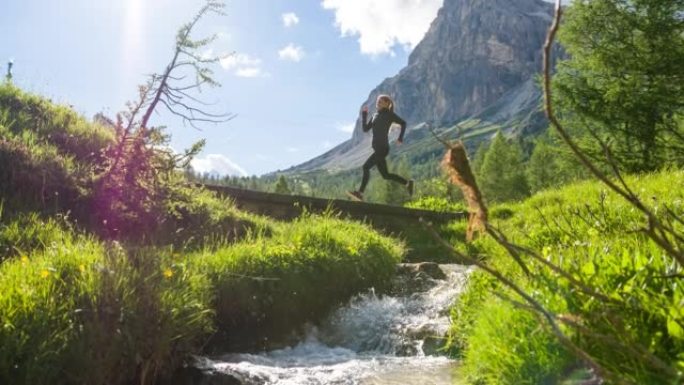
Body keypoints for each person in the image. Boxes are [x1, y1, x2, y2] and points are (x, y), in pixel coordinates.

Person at [348, 94, 414, 201]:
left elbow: (403, 123)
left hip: (382, 149)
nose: (377, 102)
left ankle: (360, 193)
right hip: (378, 149)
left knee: (365, 167)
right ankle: (407, 183)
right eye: (377, 101)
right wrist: (364, 115)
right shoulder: (374, 115)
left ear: (387, 104)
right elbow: (365, 129)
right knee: (386, 175)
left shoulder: (389, 114)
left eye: (380, 101)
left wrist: (400, 138)